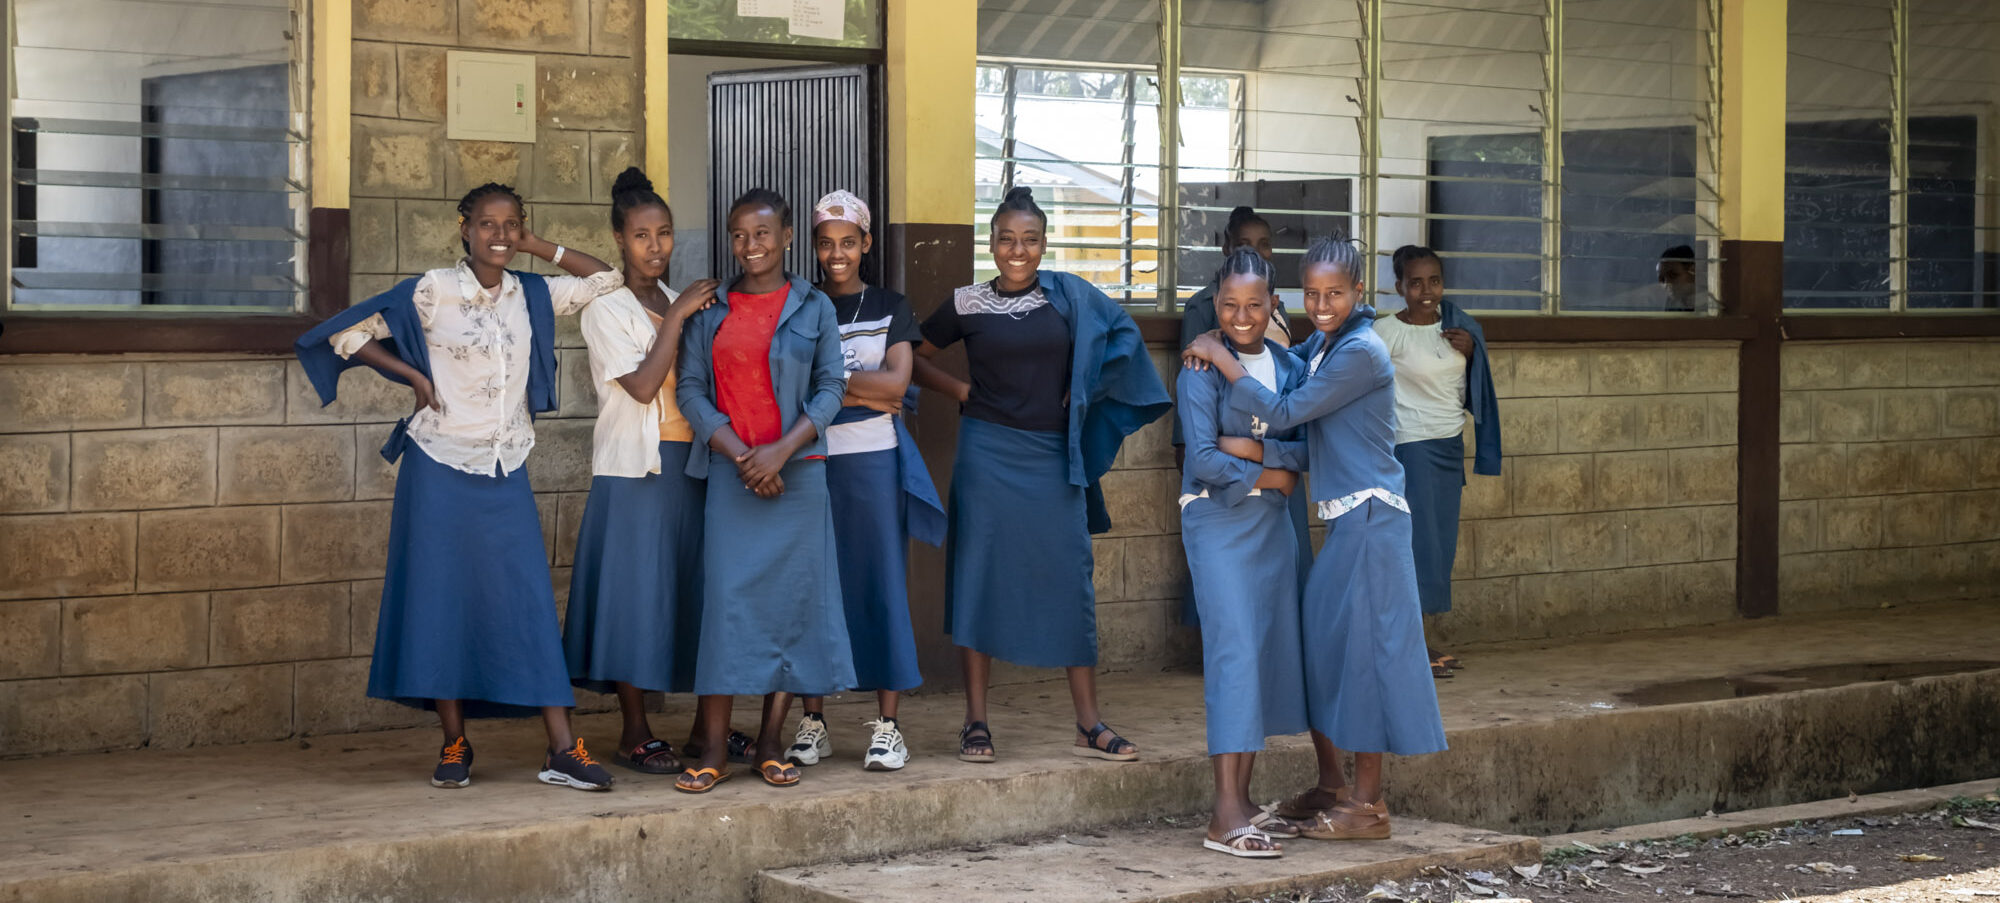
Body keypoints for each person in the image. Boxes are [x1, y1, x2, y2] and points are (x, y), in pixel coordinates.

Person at [294, 182, 622, 791]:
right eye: (488, 224)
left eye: (511, 225)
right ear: (464, 229)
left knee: (526, 602)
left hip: (504, 467)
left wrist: (536, 247)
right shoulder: (433, 289)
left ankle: (561, 750)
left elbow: (607, 280)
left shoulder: (534, 293)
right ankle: (453, 744)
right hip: (438, 465)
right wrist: (411, 375)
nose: (500, 235)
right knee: (441, 601)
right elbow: (344, 333)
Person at [1184, 234, 1447, 841]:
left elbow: (1286, 413)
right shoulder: (1322, 347)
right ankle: (1333, 785)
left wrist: (1250, 435)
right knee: (1328, 649)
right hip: (1340, 520)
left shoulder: (1360, 351)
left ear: (1362, 293)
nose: (1323, 303)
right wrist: (1269, 459)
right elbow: (1274, 426)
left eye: (1336, 293)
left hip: (1372, 515)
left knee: (1365, 653)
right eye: (1313, 293)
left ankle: (1367, 802)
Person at [913, 186, 1171, 766]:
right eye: (1006, 239)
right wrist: (959, 390)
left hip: (1054, 457)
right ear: (991, 243)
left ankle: (1088, 723)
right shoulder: (967, 302)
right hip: (986, 455)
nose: (1017, 250)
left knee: (1070, 580)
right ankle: (976, 721)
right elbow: (910, 353)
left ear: (1045, 243)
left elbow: (1125, 340)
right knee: (978, 577)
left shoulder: (1068, 296)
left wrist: (1083, 391)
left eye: (1029, 240)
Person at [673, 188, 854, 792]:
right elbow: (691, 390)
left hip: (799, 477)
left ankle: (771, 743)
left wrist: (781, 451)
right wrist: (740, 453)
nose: (750, 246)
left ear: (787, 238)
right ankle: (717, 749)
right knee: (726, 607)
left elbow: (831, 387)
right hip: (732, 475)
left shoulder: (815, 307)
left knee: (793, 608)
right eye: (739, 235)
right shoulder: (710, 310)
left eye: (762, 234)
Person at [561, 167, 718, 774]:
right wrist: (678, 315)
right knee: (632, 597)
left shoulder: (677, 301)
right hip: (635, 472)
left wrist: (681, 311)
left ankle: (706, 726)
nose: (655, 247)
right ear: (620, 241)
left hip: (690, 465)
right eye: (641, 236)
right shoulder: (607, 308)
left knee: (685, 592)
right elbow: (645, 384)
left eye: (665, 234)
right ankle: (634, 731)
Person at [787, 190, 946, 772]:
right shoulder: (802, 306)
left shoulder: (889, 305)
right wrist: (858, 387)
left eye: (848, 243)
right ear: (814, 247)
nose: (837, 254)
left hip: (875, 463)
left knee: (881, 583)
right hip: (814, 461)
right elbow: (795, 388)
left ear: (866, 244)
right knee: (816, 585)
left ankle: (888, 726)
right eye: (826, 244)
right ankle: (813, 722)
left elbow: (898, 388)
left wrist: (830, 388)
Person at [1177, 246, 1312, 858]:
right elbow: (1201, 457)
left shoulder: (1289, 367)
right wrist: (1272, 473)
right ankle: (1223, 813)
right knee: (1233, 654)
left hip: (1272, 527)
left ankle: (1247, 799)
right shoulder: (1200, 367)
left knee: (1260, 654)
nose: (1240, 316)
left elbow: (1307, 447)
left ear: (1274, 304)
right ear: (1215, 302)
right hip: (1217, 523)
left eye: (1254, 304)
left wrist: (1262, 459)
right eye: (1229, 304)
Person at [1374, 246, 1502, 676]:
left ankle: (1417, 642)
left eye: (1434, 281)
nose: (1425, 291)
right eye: (1415, 282)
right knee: (1416, 548)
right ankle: (1412, 648)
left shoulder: (1458, 330)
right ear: (1400, 288)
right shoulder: (1385, 333)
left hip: (1448, 448)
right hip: (1410, 449)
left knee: (1438, 549)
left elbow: (1470, 392)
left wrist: (1470, 354)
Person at [1175, 206, 1292, 460]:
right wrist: (1183, 442)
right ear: (1227, 248)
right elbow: (1189, 370)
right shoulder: (1204, 304)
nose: (1254, 252)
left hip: (1275, 435)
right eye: (1243, 244)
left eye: (1264, 244)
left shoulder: (1278, 308)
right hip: (1223, 429)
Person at [1659, 244, 1698, 312]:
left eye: (1673, 275)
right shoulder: (1671, 302)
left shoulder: (1708, 305)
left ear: (1692, 271)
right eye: (1663, 279)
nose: (1666, 284)